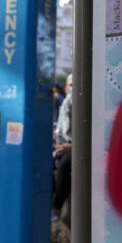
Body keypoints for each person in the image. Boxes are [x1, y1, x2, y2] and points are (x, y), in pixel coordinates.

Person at [52, 74, 73, 222]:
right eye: (70, 85)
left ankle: (57, 205)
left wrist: (70, 146)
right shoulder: (66, 103)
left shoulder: (79, 103)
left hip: (73, 147)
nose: (72, 88)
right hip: (63, 143)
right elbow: (61, 126)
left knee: (65, 166)